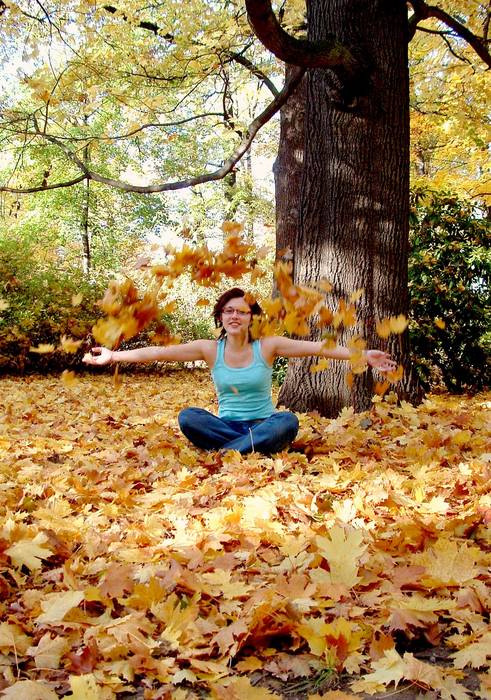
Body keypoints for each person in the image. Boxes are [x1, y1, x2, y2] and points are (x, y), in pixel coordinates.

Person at [83, 287, 396, 455]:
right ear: (220, 316)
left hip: (265, 424)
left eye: (242, 312)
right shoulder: (209, 349)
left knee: (286, 421)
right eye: (228, 311)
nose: (235, 316)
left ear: (251, 318)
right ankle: (244, 448)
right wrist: (113, 356)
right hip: (227, 426)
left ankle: (227, 454)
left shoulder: (268, 346)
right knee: (189, 417)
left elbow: (318, 348)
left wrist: (364, 354)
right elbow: (159, 353)